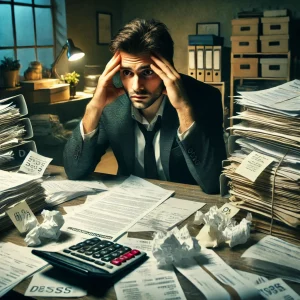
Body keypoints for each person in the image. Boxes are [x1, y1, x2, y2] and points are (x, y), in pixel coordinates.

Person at [63, 18, 226, 194]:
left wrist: (183, 109)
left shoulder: (204, 98)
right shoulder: (111, 96)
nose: (136, 86)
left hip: (185, 204)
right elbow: (74, 170)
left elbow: (213, 183)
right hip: (129, 203)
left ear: (167, 68)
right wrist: (94, 107)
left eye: (147, 72)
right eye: (127, 72)